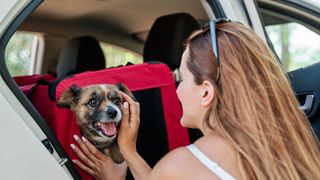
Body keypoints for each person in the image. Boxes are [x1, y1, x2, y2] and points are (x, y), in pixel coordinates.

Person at [70, 19, 320, 179]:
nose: (177, 90)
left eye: (183, 78)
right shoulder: (294, 150)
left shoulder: (180, 166)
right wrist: (129, 152)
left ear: (206, 92)